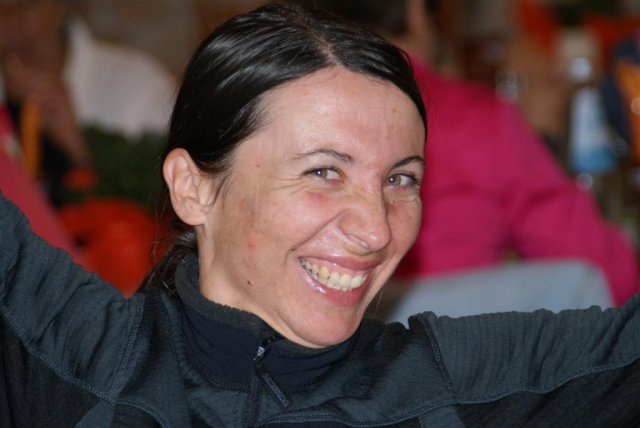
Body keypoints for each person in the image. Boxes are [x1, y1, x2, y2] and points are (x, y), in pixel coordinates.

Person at [1, 3, 639, 426]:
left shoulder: (451, 384)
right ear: (192, 189)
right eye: (323, 172)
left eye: (400, 179)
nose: (377, 229)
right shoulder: (76, 358)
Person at [294, 0, 639, 307]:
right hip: (469, 351)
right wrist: (543, 142)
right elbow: (607, 276)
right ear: (416, 10)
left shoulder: (289, 111)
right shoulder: (476, 118)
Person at [0, 0, 176, 204]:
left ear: (62, 7)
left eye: (28, 4)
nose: (10, 21)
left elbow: (164, 202)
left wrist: (77, 146)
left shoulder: (140, 85)